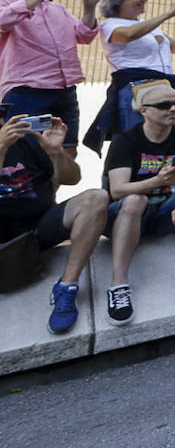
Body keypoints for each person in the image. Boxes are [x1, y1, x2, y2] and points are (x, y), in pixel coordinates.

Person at [102, 83, 175, 324]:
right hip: (127, 215)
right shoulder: (125, 140)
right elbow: (117, 189)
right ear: (144, 111)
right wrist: (156, 181)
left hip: (166, 211)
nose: (173, 109)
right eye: (164, 105)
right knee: (135, 200)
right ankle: (118, 285)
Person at [0, 114, 108, 334]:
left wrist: (55, 152)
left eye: (2, 114)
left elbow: (72, 178)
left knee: (96, 198)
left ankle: (66, 287)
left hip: (39, 226)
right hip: (4, 237)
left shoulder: (24, 143)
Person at [85, 0, 175, 152]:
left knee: (165, 143)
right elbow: (129, 35)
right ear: (119, 0)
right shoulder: (110, 25)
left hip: (164, 87)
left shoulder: (149, 26)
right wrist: (168, 13)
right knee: (137, 143)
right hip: (137, 90)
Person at [1, 0, 102, 149]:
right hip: (26, 90)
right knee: (23, 151)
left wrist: (90, 8)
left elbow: (84, 36)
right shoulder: (5, 4)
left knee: (66, 149)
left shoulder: (57, 9)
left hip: (65, 90)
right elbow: (4, 21)